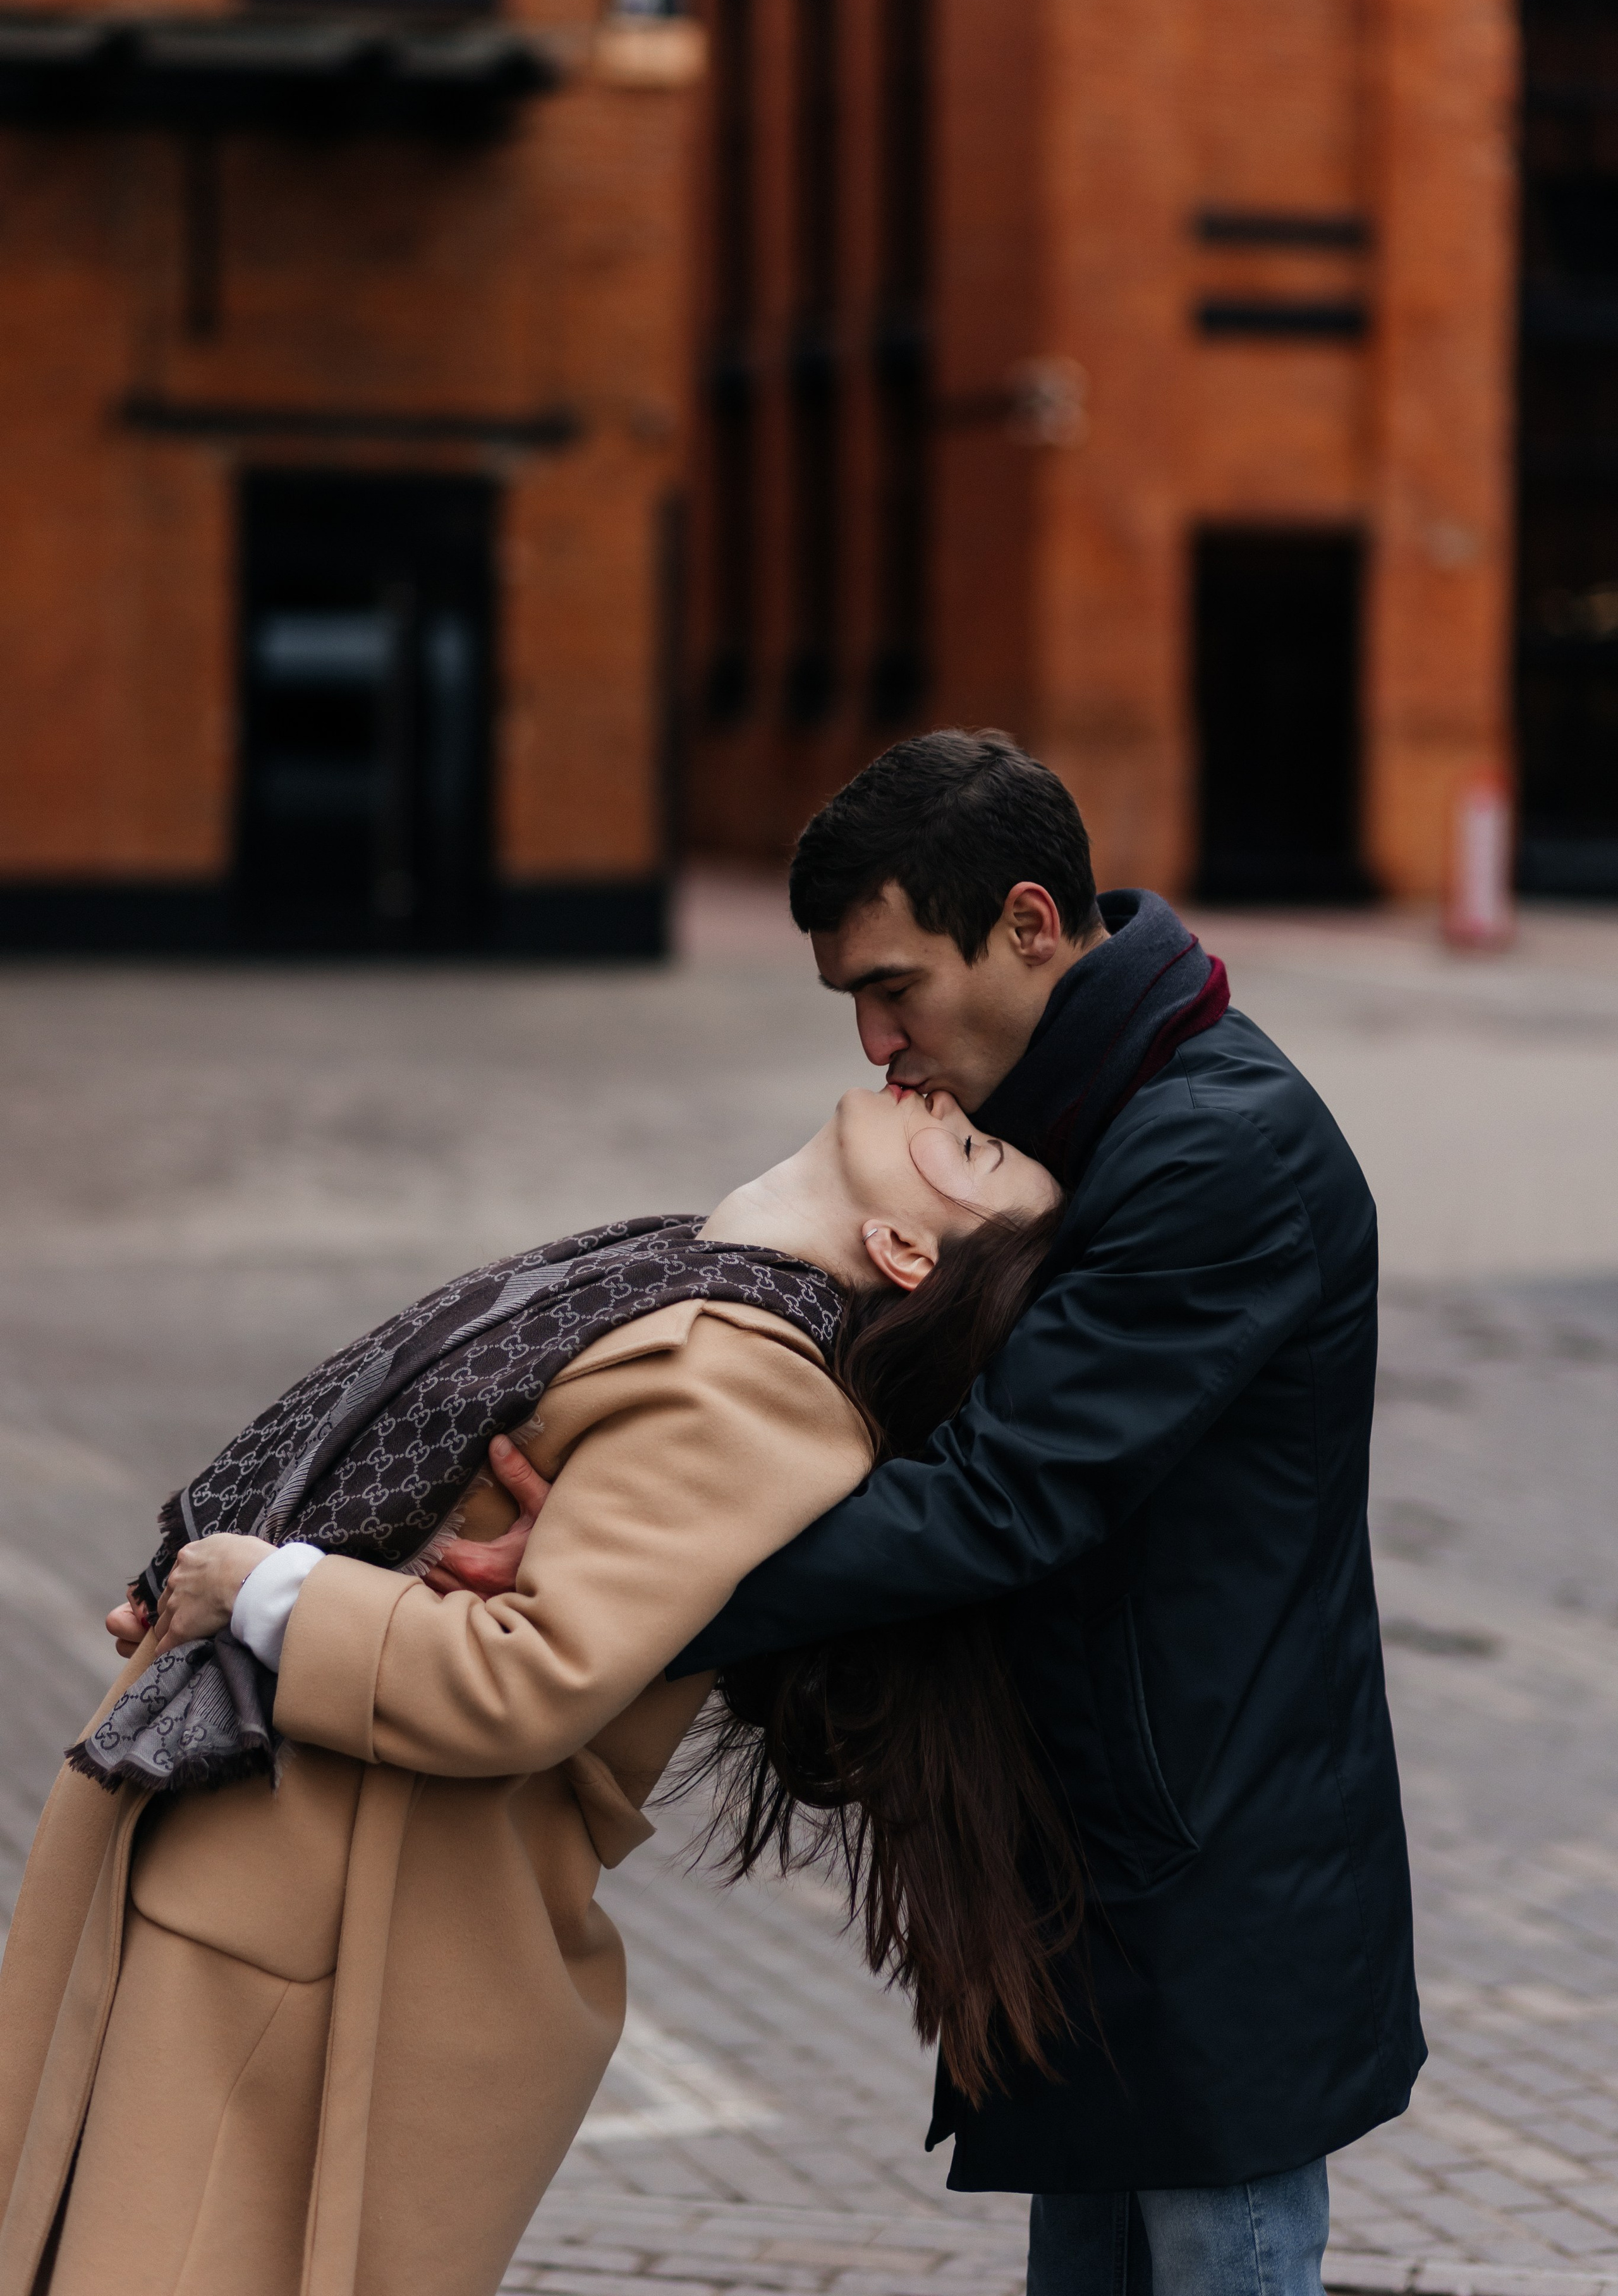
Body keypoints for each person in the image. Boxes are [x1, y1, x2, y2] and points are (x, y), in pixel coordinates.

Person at [497, 730, 1422, 2295]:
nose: (875, 1045)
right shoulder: (1075, 1120)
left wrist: (621, 1595)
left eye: (892, 986)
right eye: (852, 1000)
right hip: (1108, 1853)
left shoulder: (1215, 1152)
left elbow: (996, 1498)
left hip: (1208, 1872)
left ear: (1027, 927)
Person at [0, 1083, 1061, 2296]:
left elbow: (525, 1680)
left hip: (326, 1922)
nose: (931, 1090)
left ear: (906, 1249)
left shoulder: (755, 1389)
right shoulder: (674, 1280)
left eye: (970, 1149)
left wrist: (260, 1589)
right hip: (257, 1869)